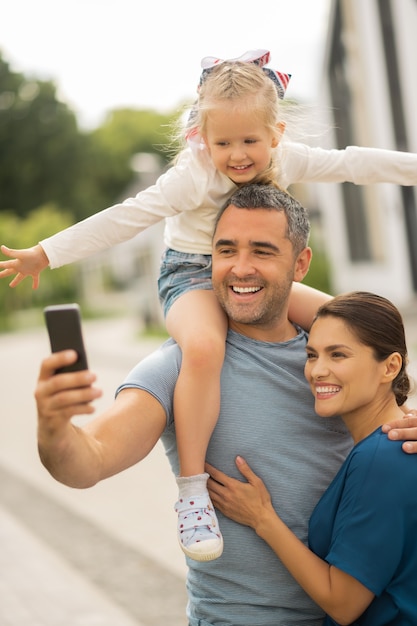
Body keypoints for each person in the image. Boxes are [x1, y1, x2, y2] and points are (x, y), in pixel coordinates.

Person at [5, 49, 417, 563]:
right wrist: (47, 252)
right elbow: (127, 216)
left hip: (252, 279)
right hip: (191, 276)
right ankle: (193, 491)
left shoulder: (288, 158)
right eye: (223, 142)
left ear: (277, 134)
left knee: (355, 322)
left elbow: (355, 162)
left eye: (251, 141)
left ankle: (402, 415)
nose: (238, 155)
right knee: (203, 348)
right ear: (202, 136)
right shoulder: (192, 175)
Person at [35, 184, 417, 626]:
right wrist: (54, 428)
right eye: (226, 249)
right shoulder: (182, 368)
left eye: (262, 251)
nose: (240, 268)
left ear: (300, 263)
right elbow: (88, 463)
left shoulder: (332, 363)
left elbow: (392, 399)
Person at [207, 291, 417, 624]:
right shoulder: (386, 447)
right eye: (311, 354)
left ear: (390, 367)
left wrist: (262, 518)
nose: (317, 371)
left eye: (338, 355)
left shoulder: (382, 457)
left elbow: (343, 603)